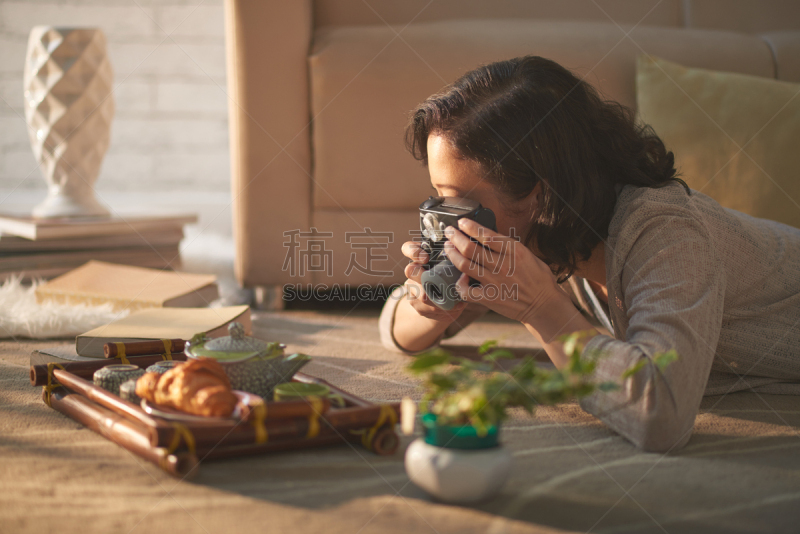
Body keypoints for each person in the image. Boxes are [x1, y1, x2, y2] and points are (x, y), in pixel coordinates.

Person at [378, 55, 800, 452]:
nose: (440, 218)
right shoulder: (524, 234)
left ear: (539, 196)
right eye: (437, 195)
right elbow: (394, 329)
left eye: (455, 199)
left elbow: (663, 418)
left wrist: (544, 311)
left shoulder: (665, 232)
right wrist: (432, 303)